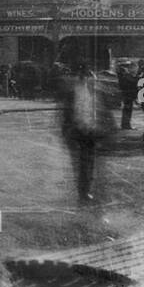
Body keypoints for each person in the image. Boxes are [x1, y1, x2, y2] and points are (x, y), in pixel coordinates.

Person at [58, 61, 109, 204]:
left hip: (90, 130)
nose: (88, 78)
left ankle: (86, 190)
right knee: (82, 163)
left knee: (88, 163)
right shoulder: (74, 92)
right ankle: (83, 191)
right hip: (78, 131)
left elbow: (98, 108)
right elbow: (68, 112)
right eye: (85, 75)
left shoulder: (93, 91)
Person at [115, 59, 138, 130]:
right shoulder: (127, 76)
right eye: (135, 68)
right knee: (127, 110)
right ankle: (126, 125)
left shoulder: (125, 75)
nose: (136, 70)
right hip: (128, 95)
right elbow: (132, 82)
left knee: (127, 110)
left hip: (127, 95)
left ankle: (125, 125)